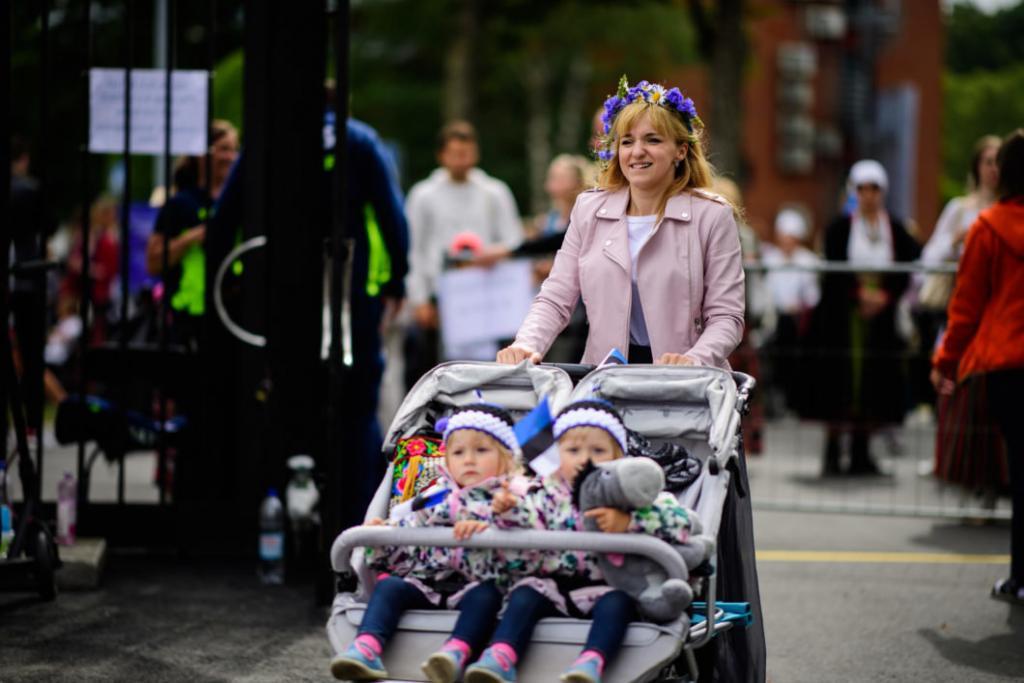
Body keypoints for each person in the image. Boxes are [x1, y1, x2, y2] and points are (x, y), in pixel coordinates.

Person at [496, 77, 745, 367]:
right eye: (627, 141)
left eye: (653, 139)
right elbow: (555, 298)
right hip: (604, 380)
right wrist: (526, 344)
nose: (637, 151)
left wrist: (693, 360)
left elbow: (727, 317)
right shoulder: (588, 209)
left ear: (681, 150)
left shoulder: (713, 216)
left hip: (687, 384)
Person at [464, 399, 699, 683]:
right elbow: (524, 523)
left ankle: (591, 663)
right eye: (573, 450)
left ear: (619, 456)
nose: (584, 459)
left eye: (598, 451)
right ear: (558, 454)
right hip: (553, 586)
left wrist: (630, 522)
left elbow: (681, 522)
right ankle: (501, 655)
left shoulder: (631, 495)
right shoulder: (545, 493)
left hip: (609, 587)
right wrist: (507, 510)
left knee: (618, 604)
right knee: (524, 595)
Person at [329, 403, 528, 682]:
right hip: (427, 581)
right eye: (458, 452)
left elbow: (533, 538)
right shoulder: (434, 496)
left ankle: (455, 652)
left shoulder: (512, 496)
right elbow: (408, 533)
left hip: (479, 583)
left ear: (506, 457)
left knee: (485, 597)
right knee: (390, 587)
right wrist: (384, 534)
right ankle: (366, 647)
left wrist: (499, 519)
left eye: (481, 450)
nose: (468, 460)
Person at [931, 130, 1024, 605]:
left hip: (1008, 365)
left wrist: (944, 362)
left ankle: (1020, 578)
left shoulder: (988, 227)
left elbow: (965, 309)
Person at [802, 160, 920, 476]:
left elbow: (907, 266)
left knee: (873, 380)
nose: (868, 195)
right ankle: (831, 452)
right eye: (862, 189)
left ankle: (861, 451)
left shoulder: (895, 229)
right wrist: (858, 294)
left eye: (874, 189)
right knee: (840, 380)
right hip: (843, 317)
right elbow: (833, 270)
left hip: (881, 319)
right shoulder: (839, 228)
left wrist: (884, 296)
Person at [404, 121, 523, 381]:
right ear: (442, 155)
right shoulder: (423, 195)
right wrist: (419, 298)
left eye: (466, 152)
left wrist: (490, 256)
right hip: (440, 297)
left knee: (486, 371)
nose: (461, 160)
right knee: (438, 371)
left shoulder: (495, 192)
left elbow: (514, 242)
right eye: (455, 153)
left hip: (486, 297)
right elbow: (413, 248)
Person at [922, 137, 1005, 496]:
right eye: (986, 160)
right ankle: (970, 478)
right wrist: (956, 241)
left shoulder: (1010, 209)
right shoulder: (961, 209)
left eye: (998, 161)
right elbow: (929, 257)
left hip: (1000, 315)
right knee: (964, 395)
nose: (993, 168)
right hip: (966, 308)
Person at [145, 119, 239, 349]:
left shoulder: (242, 203)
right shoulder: (180, 204)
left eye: (234, 150)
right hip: (188, 320)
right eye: (223, 149)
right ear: (202, 154)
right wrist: (191, 238)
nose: (230, 157)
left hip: (234, 316)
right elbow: (153, 262)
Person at [761, 208, 821, 415]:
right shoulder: (770, 259)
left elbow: (813, 295)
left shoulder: (808, 261)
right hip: (774, 320)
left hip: (797, 321)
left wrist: (799, 306)